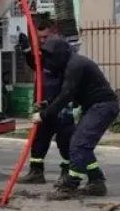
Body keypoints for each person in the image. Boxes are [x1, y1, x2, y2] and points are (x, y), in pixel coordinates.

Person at [31, 36, 120, 199]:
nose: (50, 61)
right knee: (82, 145)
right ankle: (96, 182)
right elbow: (64, 94)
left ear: (60, 54)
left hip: (103, 106)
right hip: (93, 106)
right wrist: (47, 105)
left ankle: (71, 184)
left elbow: (66, 94)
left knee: (78, 145)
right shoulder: (68, 64)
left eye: (51, 56)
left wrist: (44, 115)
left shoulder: (75, 65)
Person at [15, 19, 75, 186]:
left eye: (45, 37)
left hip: (59, 107)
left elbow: (68, 84)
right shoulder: (47, 54)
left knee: (65, 141)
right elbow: (37, 64)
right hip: (43, 106)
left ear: (54, 32)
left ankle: (67, 173)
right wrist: (27, 50)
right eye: (39, 37)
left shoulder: (64, 53)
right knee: (39, 140)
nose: (42, 41)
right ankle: (36, 172)